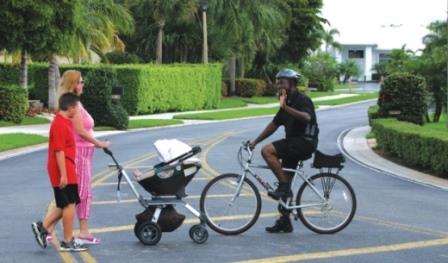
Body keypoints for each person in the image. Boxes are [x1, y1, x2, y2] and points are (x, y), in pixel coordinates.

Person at [249, 69, 319, 233]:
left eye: (282, 82)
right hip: (293, 145)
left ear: (292, 84)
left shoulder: (303, 100)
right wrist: (255, 141)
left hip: (304, 142)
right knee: (284, 178)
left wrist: (285, 107)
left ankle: (284, 186)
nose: (279, 85)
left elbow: (306, 117)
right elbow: (273, 125)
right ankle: (285, 221)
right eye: (278, 82)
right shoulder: (286, 104)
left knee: (267, 151)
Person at [53, 70, 110, 245]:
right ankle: (81, 231)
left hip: (84, 153)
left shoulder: (73, 102)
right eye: (81, 81)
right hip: (79, 154)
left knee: (77, 194)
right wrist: (99, 143)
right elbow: (80, 130)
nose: (83, 84)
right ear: (74, 84)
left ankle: (46, 227)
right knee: (81, 194)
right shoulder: (73, 104)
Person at [31, 93, 88, 252]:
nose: (78, 110)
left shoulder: (64, 122)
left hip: (67, 167)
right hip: (62, 169)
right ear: (70, 108)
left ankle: (42, 227)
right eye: (77, 107)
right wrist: (63, 174)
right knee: (69, 204)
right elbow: (59, 151)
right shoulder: (59, 124)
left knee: (67, 202)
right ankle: (67, 241)